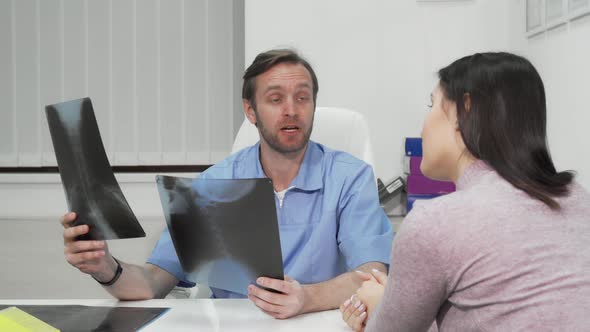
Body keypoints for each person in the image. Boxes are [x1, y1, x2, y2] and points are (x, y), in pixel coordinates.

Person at [61, 48, 394, 319]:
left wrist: (305, 298)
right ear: (251, 111)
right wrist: (105, 267)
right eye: (276, 99)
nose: (292, 110)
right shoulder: (213, 184)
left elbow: (372, 276)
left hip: (319, 323)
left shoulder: (349, 178)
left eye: (303, 98)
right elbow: (151, 283)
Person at [340, 52, 590, 331]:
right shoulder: (577, 197)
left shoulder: (434, 222)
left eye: (431, 104)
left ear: (463, 111)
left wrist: (376, 305)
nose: (423, 125)